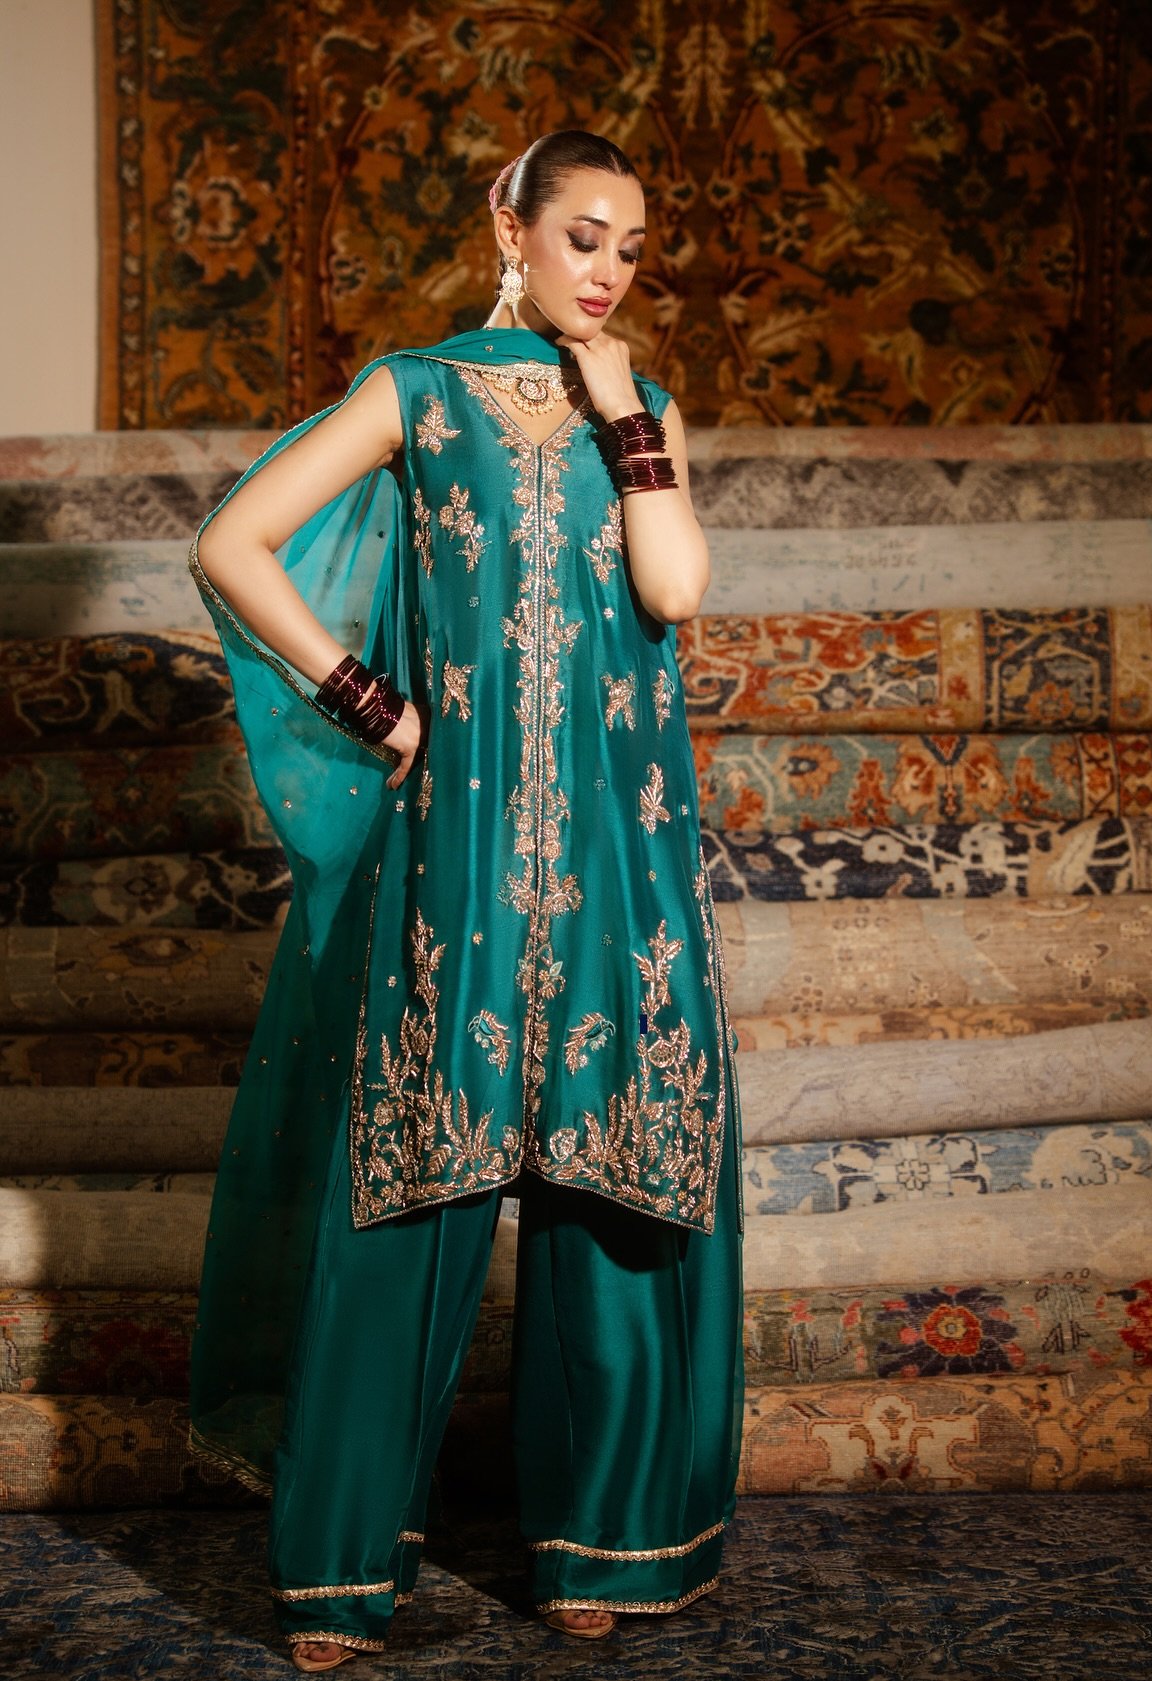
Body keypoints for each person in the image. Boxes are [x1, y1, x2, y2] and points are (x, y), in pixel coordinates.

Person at [185, 129, 746, 1672]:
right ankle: (338, 1572)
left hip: (624, 864)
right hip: (457, 860)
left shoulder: (645, 407)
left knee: (614, 1191)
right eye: (583, 236)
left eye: (631, 246)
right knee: (411, 1195)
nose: (609, 269)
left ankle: (605, 1551)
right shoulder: (414, 393)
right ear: (512, 227)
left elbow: (675, 589)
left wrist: (625, 415)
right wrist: (370, 702)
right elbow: (232, 541)